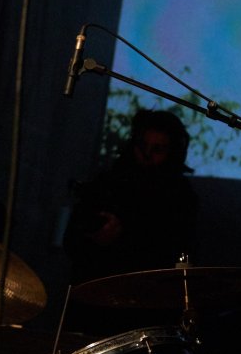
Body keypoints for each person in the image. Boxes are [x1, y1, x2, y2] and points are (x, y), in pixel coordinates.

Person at [63, 108, 198, 288]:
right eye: (142, 146)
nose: (146, 154)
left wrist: (123, 237)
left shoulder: (181, 197)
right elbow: (71, 241)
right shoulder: (108, 182)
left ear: (173, 153)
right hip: (97, 290)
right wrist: (94, 237)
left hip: (149, 295)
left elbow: (176, 254)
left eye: (157, 149)